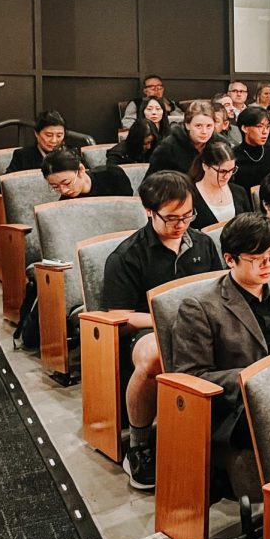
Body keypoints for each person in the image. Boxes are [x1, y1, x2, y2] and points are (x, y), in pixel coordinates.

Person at [104, 171, 224, 489]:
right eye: (171, 218)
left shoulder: (202, 243)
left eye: (187, 215)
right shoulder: (127, 255)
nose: (181, 224)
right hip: (148, 331)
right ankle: (140, 444)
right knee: (155, 357)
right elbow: (121, 315)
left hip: (201, 325)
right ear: (149, 211)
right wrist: (168, 320)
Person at [171, 212, 270, 452]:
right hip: (244, 406)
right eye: (256, 259)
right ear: (230, 259)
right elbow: (192, 377)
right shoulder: (200, 307)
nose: (268, 265)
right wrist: (257, 378)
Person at [190, 141, 253, 228]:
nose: (227, 176)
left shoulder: (239, 191)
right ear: (205, 166)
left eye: (232, 170)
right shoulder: (190, 195)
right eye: (222, 171)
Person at [147, 100, 217, 175]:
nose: (204, 131)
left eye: (209, 126)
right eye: (198, 126)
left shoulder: (221, 144)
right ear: (187, 125)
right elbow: (151, 181)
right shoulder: (167, 147)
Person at [41, 148, 133, 198]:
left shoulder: (113, 175)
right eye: (55, 187)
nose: (63, 191)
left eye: (67, 183)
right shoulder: (65, 204)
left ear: (81, 170)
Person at [7, 110, 71, 173]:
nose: (54, 140)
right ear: (36, 133)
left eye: (59, 136)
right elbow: (6, 181)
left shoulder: (71, 155)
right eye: (49, 135)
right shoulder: (22, 156)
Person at [232, 107, 270, 191]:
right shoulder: (233, 156)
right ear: (245, 128)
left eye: (268, 127)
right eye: (259, 127)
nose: (265, 132)